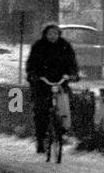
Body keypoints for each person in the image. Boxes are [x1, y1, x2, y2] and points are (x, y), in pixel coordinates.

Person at [25, 23, 80, 157]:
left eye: (55, 33)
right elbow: (31, 64)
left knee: (67, 103)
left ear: (59, 34)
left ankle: (64, 129)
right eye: (50, 33)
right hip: (42, 82)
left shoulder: (65, 46)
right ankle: (41, 139)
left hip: (60, 81)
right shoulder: (38, 46)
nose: (53, 36)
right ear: (45, 34)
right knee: (41, 110)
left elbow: (72, 63)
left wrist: (73, 74)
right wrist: (33, 75)